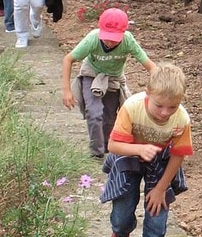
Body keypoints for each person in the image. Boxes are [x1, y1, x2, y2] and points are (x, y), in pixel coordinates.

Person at [98, 63, 192, 237]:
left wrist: (160, 189)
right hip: (128, 153)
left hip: (161, 162)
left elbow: (179, 155)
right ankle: (121, 232)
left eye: (173, 107)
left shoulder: (181, 119)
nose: (165, 113)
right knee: (122, 212)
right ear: (148, 94)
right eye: (159, 105)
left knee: (157, 222)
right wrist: (139, 149)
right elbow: (113, 145)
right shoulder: (132, 107)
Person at [62, 8, 157, 158]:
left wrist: (157, 89)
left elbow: (150, 66)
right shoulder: (93, 39)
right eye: (107, 37)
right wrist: (67, 91)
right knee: (94, 113)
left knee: (109, 118)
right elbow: (68, 59)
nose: (110, 42)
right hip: (91, 75)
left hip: (113, 79)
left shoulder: (128, 41)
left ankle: (108, 147)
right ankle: (96, 153)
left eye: (114, 38)